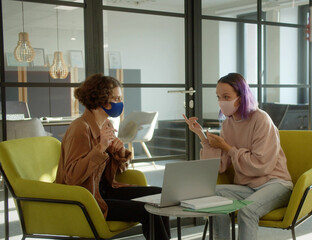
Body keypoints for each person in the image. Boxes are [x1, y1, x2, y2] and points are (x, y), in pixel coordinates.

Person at [55, 73, 170, 240]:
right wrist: (101, 147)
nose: (119, 103)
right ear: (99, 99)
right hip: (88, 198)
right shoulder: (79, 128)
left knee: (161, 196)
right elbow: (71, 177)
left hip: (105, 190)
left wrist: (119, 152)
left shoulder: (106, 124)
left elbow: (117, 170)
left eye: (120, 98)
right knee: (148, 211)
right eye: (115, 99)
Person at [183, 73, 293, 240]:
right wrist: (202, 137)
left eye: (226, 97)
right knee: (210, 197)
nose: (221, 102)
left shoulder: (261, 119)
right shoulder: (227, 125)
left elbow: (261, 164)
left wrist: (228, 147)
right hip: (247, 187)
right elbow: (220, 166)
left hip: (276, 184)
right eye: (219, 97)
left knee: (247, 211)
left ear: (241, 97)